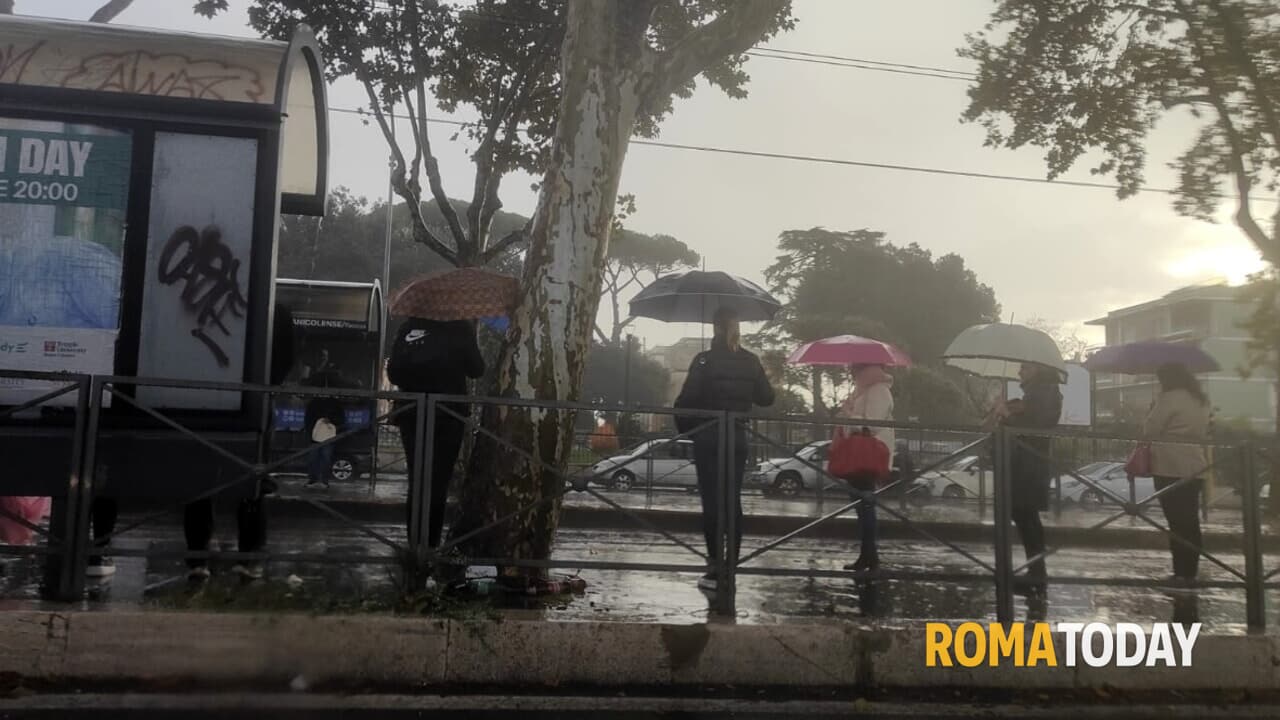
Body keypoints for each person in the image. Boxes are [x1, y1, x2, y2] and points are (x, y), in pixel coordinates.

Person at [184, 303, 295, 583]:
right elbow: (287, 354)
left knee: (198, 477)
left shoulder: (200, 301)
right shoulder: (272, 306)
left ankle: (198, 555)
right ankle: (250, 556)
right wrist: (268, 385)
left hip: (204, 398)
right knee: (254, 477)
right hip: (256, 400)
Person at [674, 307, 775, 592]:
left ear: (715, 329)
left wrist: (687, 429)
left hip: (708, 438)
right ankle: (732, 567)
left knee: (712, 503)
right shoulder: (751, 360)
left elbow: (686, 401)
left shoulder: (704, 361)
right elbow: (767, 398)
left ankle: (715, 568)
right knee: (733, 502)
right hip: (738, 438)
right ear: (737, 328)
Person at [387, 318, 485, 551]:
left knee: (417, 480)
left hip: (413, 413)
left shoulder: (409, 325)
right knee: (438, 483)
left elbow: (394, 373)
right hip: (449, 415)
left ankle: (415, 545)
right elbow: (477, 369)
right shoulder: (460, 327)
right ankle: (430, 546)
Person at [1144, 362, 1211, 588]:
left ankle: (1180, 572)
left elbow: (1150, 430)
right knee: (1190, 521)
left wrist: (1153, 407)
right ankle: (1190, 571)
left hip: (1169, 466)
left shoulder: (1169, 397)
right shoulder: (1200, 399)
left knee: (1176, 522)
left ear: (1167, 379)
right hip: (1196, 465)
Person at [999, 363, 1063, 597]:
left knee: (1026, 516)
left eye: (1024, 368)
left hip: (1029, 464)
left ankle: (1037, 575)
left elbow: (1034, 427)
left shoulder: (1043, 391)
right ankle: (1036, 573)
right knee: (1025, 516)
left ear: (1037, 369)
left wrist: (1008, 415)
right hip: (1027, 463)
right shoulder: (1038, 392)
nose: (1020, 372)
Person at [834, 364, 895, 573]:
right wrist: (847, 412)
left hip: (869, 453)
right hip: (859, 453)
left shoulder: (879, 390)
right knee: (862, 507)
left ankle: (870, 557)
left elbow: (873, 425)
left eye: (855, 370)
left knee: (866, 506)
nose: (852, 373)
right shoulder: (863, 390)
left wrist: (850, 415)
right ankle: (868, 555)